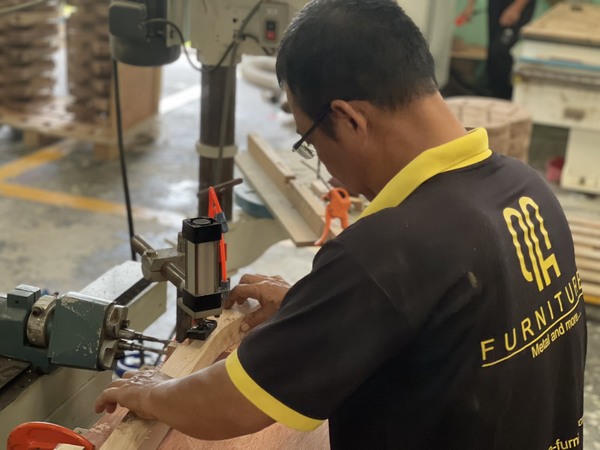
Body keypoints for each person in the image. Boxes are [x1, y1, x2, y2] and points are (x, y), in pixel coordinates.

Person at [95, 0, 587, 448]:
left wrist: (157, 390)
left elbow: (232, 405)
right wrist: (319, 311)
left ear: (350, 119)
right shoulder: (527, 188)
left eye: (308, 139)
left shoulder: (385, 250)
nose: (327, 171)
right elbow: (458, 331)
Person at [460, 0, 537, 99]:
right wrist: (469, 7)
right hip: (496, 4)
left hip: (516, 4)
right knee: (492, 53)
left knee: (501, 52)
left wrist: (516, 8)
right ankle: (494, 96)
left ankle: (507, 97)